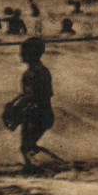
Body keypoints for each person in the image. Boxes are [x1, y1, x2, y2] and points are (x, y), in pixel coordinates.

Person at [6, 36, 59, 173]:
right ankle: (54, 163)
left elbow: (30, 96)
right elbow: (44, 94)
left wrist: (15, 109)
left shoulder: (30, 74)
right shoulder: (44, 70)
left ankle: (41, 167)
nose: (20, 54)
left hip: (35, 114)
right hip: (45, 113)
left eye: (23, 51)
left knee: (26, 147)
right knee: (29, 146)